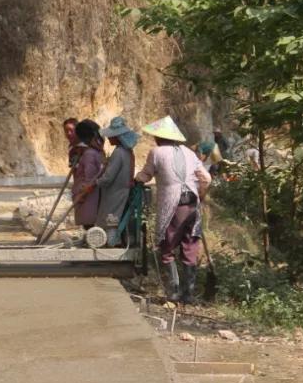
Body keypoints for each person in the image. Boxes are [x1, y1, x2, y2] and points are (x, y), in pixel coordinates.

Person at [134, 116, 211, 305]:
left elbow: (145, 175)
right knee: (190, 246)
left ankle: (174, 292)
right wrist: (200, 195)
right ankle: (189, 294)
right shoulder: (189, 152)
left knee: (167, 246)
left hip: (173, 205)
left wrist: (136, 179)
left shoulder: (157, 152)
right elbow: (207, 178)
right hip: (192, 204)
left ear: (159, 137)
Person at [76, 116, 138, 243]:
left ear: (118, 137)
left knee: (111, 220)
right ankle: (114, 243)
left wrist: (93, 185)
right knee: (113, 219)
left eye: (112, 135)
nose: (109, 138)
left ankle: (112, 243)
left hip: (115, 193)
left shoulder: (119, 153)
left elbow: (108, 178)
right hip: (120, 191)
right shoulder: (127, 152)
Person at [70, 119, 105, 229]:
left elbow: (90, 176)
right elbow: (91, 176)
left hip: (88, 192)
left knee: (90, 224)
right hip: (89, 192)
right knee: (90, 224)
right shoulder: (94, 152)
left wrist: (82, 193)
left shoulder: (90, 153)